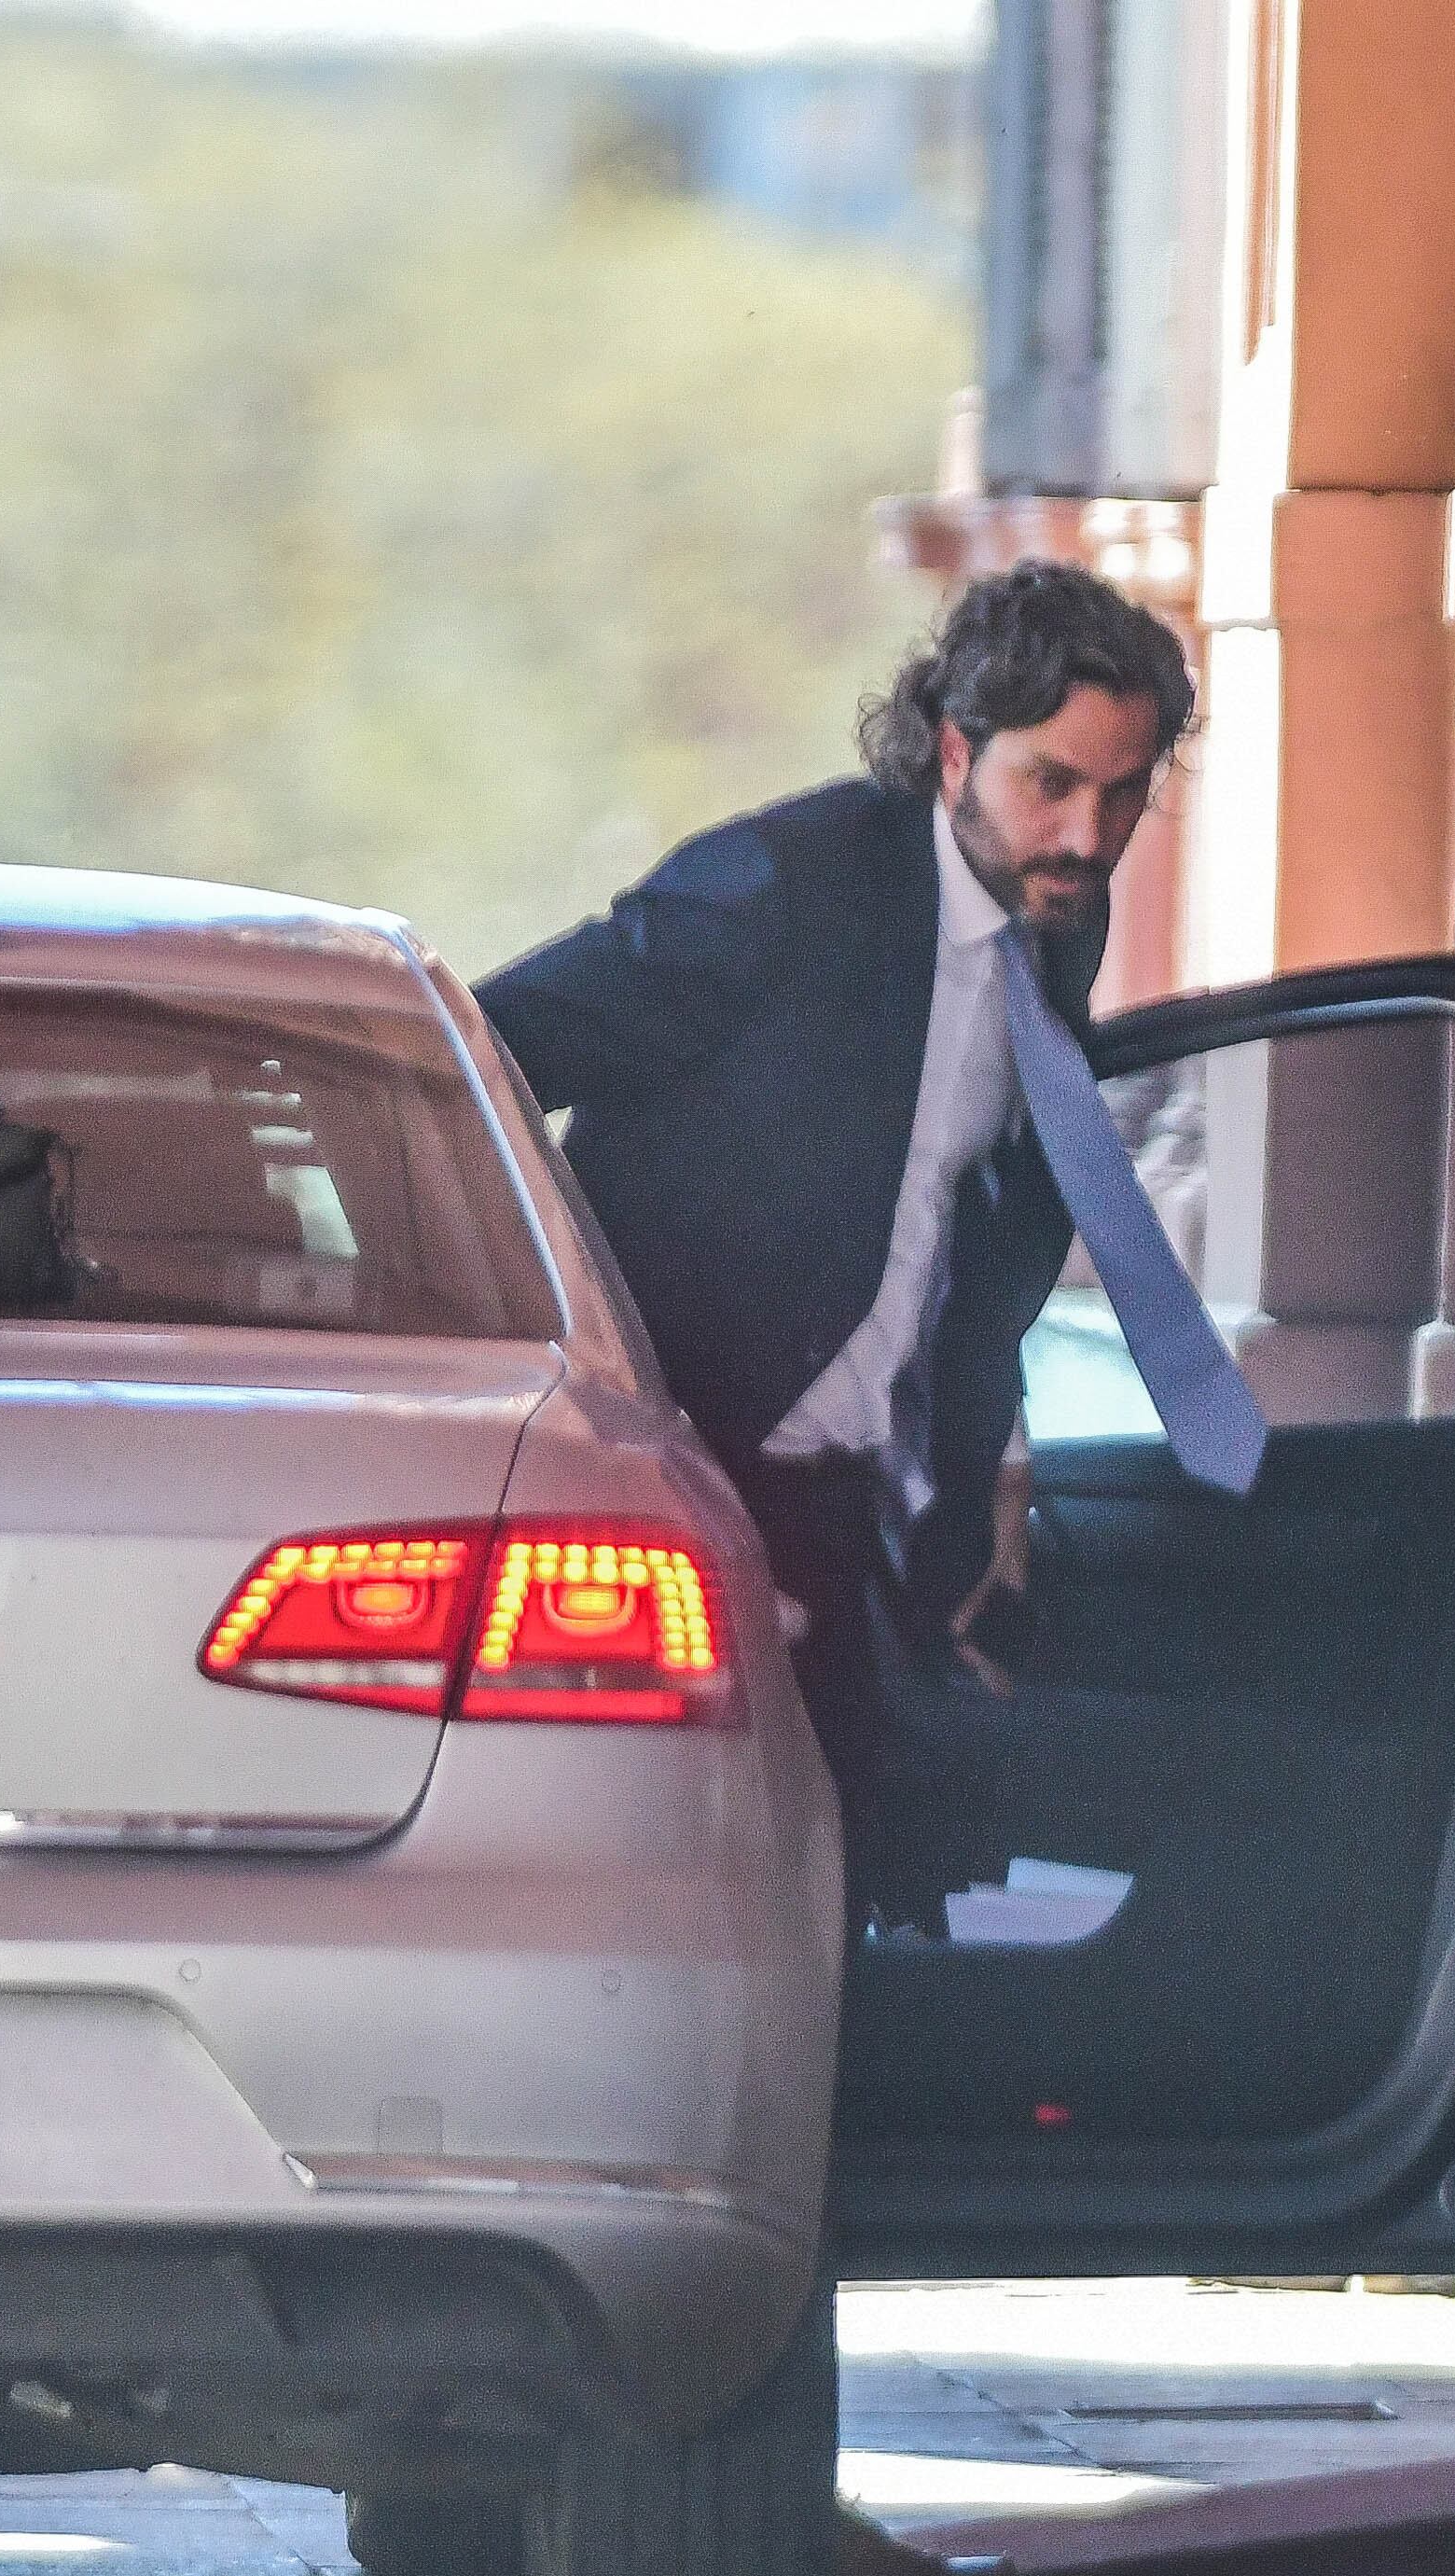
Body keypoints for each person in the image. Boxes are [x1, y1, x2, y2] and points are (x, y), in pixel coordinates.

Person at [477, 561, 1264, 1923]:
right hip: (674, 1494)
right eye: (1051, 784)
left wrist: (968, 1518)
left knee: (868, 1915)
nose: (1088, 832)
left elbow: (975, 1248)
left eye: (1123, 792)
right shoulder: (783, 888)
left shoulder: (1051, 921)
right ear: (953, 750)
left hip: (852, 1522)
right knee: (677, 1917)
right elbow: (484, 1058)